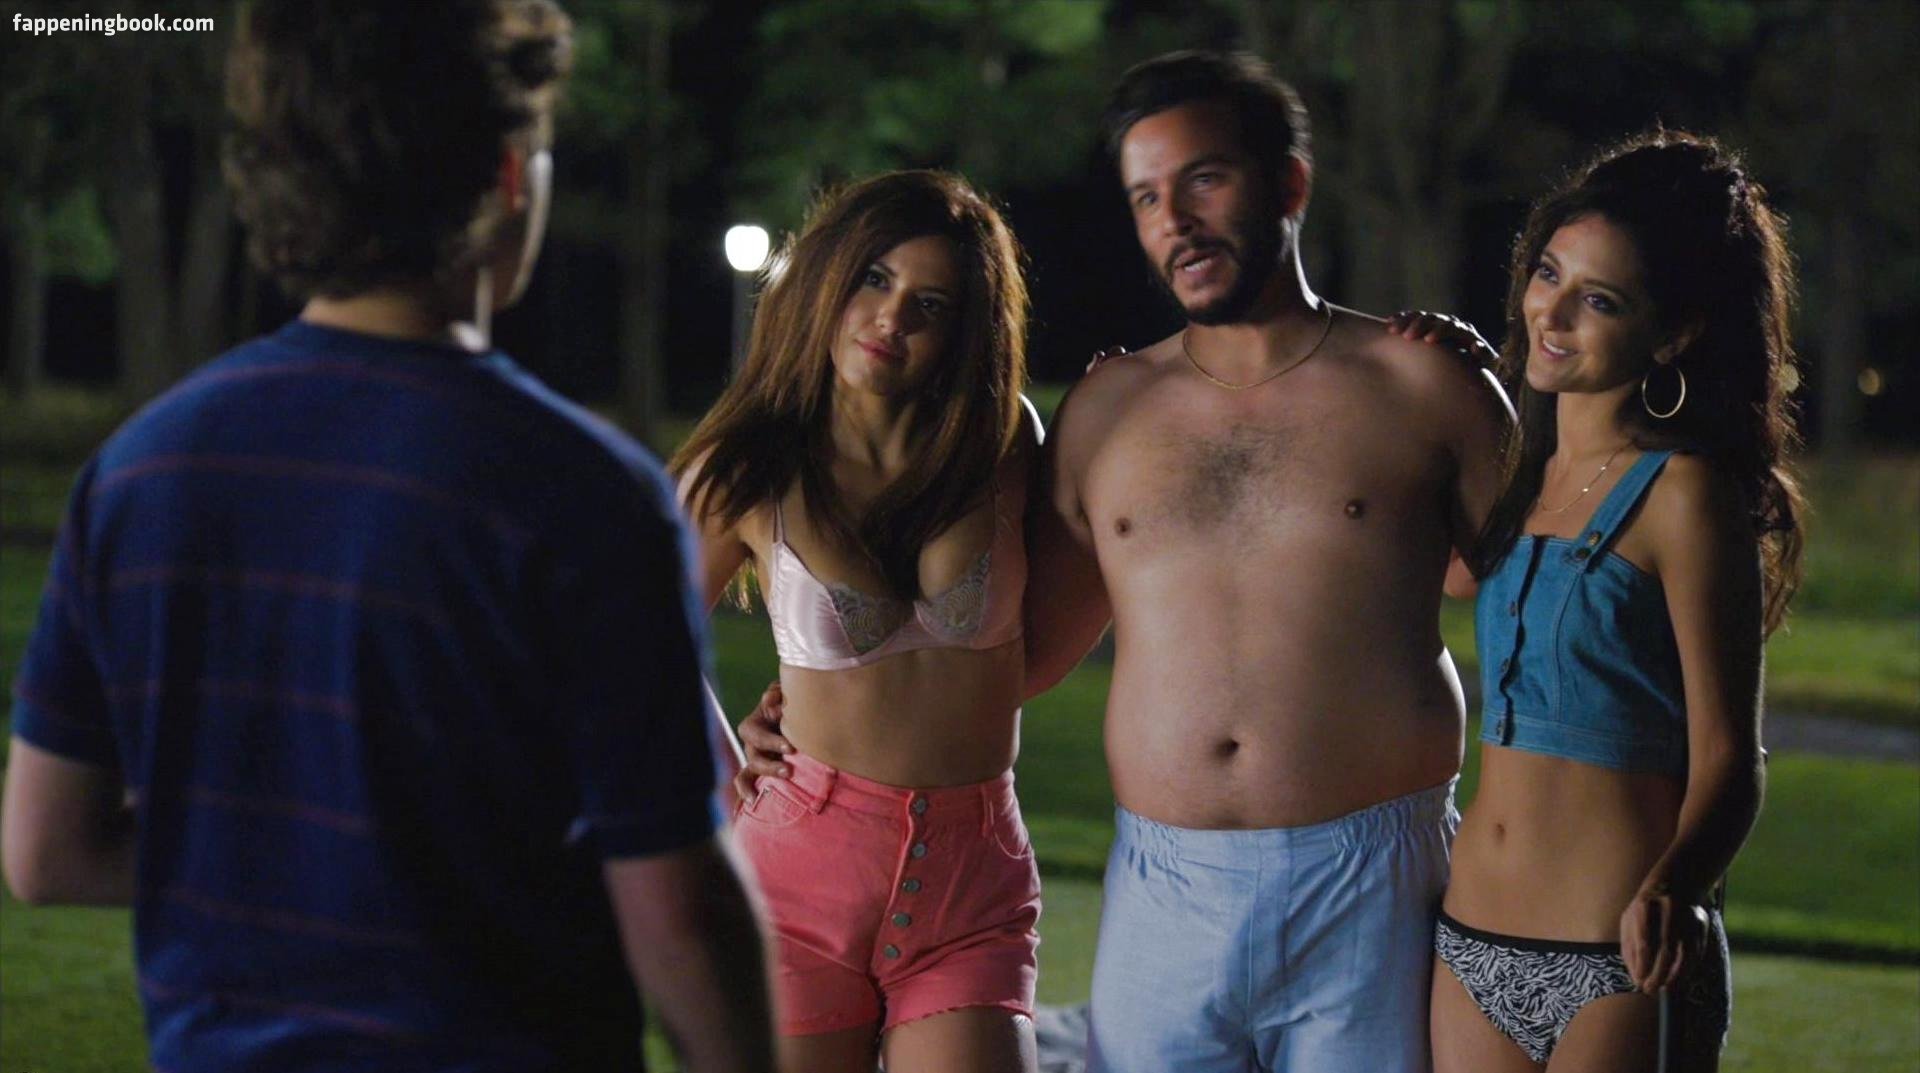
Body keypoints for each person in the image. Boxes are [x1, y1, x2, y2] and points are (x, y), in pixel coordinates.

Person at [0, 3, 773, 1070]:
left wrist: (293, 852)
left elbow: (46, 849)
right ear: (510, 177)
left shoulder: (140, 471)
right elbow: (681, 908)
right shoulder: (583, 493)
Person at [739, 51, 1510, 1073]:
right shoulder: (1106, 412)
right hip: (1163, 885)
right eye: (1148, 197)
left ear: (1290, 183)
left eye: (1205, 179)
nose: (1176, 219)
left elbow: (1526, 601)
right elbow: (1004, 656)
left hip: (1369, 875)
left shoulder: (1421, 385)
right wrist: (810, 711)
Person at [1415, 131, 1802, 1073]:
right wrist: (1451, 374)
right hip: (1469, 945)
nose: (1551, 312)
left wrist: (1679, 883)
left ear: (1672, 335)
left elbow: (1731, 759)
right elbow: (1446, 568)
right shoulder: (1522, 474)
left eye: (1600, 300)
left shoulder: (1684, 493)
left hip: (1620, 955)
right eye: (1548, 274)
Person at [672, 170, 1042, 1073]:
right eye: (875, 278)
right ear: (829, 277)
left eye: (930, 303)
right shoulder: (748, 465)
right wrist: (729, 773)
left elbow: (1042, 634)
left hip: (972, 882)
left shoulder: (1004, 444)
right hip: (798, 878)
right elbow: (633, 644)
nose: (892, 318)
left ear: (964, 328)